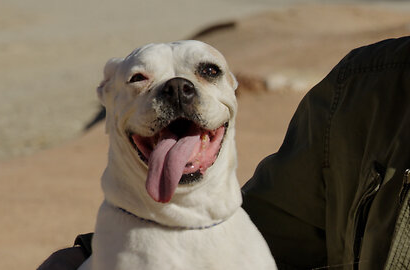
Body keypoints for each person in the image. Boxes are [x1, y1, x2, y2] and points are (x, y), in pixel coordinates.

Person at [38, 36, 410, 270]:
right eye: (140, 79)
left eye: (208, 72)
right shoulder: (364, 88)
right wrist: (97, 250)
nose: (179, 89)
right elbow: (272, 218)